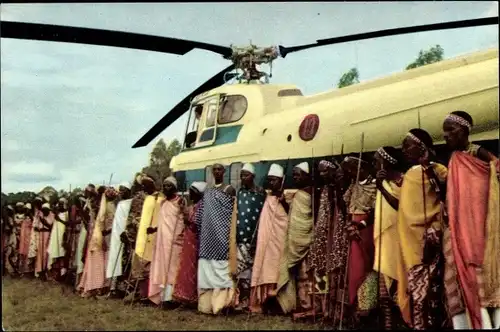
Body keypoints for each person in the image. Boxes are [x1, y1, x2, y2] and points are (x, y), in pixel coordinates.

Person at [442, 111, 500, 329]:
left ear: (464, 131)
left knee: (483, 282)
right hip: (459, 228)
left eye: (451, 131)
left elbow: (496, 167)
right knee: (459, 280)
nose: (446, 136)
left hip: (479, 228)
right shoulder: (454, 159)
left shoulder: (478, 153)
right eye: (444, 132)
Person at [397, 128, 448, 329]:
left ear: (421, 147)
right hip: (410, 242)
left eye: (407, 144)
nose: (403, 149)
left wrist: (428, 165)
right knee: (416, 292)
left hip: (428, 238)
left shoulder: (437, 169)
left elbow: (447, 193)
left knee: (429, 293)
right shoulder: (409, 173)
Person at [341, 155, 378, 326]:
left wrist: (359, 225)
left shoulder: (375, 186)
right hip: (352, 229)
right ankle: (353, 306)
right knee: (354, 269)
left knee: (366, 267)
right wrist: (350, 224)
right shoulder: (352, 186)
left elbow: (375, 211)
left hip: (366, 229)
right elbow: (346, 205)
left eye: (351, 169)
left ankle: (366, 309)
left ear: (361, 168)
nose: (349, 172)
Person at [197, 163, 237, 315]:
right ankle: (205, 306)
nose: (217, 172)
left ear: (224, 171)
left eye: (219, 169)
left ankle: (221, 305)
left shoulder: (229, 190)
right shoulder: (208, 191)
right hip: (208, 239)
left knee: (222, 274)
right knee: (206, 273)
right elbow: (203, 214)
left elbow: (231, 214)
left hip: (222, 238)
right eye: (214, 169)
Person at [373, 146, 406, 329]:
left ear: (385, 163)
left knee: (398, 283)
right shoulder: (382, 182)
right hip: (384, 239)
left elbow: (400, 206)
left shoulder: (401, 180)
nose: (374, 165)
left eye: (377, 161)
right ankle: (387, 325)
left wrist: (382, 188)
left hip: (398, 238)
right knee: (383, 289)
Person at [249, 163, 289, 314]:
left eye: (275, 180)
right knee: (264, 264)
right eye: (270, 180)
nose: (272, 183)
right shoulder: (267, 197)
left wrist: (283, 200)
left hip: (279, 239)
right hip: (265, 239)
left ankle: (279, 302)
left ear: (281, 181)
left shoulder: (285, 197)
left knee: (278, 266)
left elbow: (287, 217)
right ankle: (263, 301)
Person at [276, 162, 315, 318]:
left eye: (299, 175)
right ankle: (300, 305)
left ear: (306, 176)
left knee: (308, 276)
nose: (296, 178)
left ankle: (311, 306)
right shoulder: (298, 194)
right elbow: (293, 215)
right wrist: (285, 203)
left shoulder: (312, 193)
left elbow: (311, 217)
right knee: (299, 276)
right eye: (294, 175)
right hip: (295, 242)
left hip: (308, 240)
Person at [148, 176, 185, 306]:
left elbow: (182, 221)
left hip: (174, 241)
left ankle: (171, 298)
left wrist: (178, 237)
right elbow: (163, 222)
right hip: (161, 241)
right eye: (165, 185)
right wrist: (153, 229)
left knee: (172, 268)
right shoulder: (163, 203)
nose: (166, 188)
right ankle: (161, 296)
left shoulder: (180, 202)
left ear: (175, 188)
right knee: (162, 267)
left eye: (169, 185)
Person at [127, 173, 164, 303]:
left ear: (153, 184)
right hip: (141, 237)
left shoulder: (159, 199)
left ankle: (150, 295)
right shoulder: (146, 198)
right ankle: (140, 295)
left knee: (149, 268)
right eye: (142, 185)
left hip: (152, 238)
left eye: (146, 185)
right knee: (138, 268)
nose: (144, 187)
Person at [234, 163, 266, 311]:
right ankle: (243, 300)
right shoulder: (239, 193)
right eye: (241, 175)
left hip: (256, 238)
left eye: (245, 175)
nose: (242, 178)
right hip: (241, 238)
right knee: (241, 271)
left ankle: (255, 301)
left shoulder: (261, 193)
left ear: (253, 177)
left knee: (255, 270)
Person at [308, 160, 338, 319]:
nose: (322, 175)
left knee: (331, 271)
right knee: (319, 270)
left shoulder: (337, 189)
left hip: (332, 234)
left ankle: (331, 310)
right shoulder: (324, 189)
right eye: (320, 172)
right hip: (320, 235)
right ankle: (321, 308)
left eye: (325, 171)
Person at [172, 181, 207, 307]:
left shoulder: (202, 206)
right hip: (189, 240)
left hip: (195, 241)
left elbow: (196, 223)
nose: (190, 195)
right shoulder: (195, 206)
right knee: (187, 268)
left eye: (192, 193)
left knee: (193, 269)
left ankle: (192, 297)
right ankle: (185, 297)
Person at [106, 183, 132, 298]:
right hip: (116, 237)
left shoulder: (132, 203)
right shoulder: (120, 203)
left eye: (123, 190)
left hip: (126, 237)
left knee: (125, 262)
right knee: (114, 260)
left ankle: (123, 289)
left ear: (129, 191)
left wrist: (127, 233)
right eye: (119, 190)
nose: (120, 192)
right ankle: (113, 289)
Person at [47, 197, 69, 280]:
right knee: (56, 252)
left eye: (61, 204)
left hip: (62, 234)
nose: (59, 205)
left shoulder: (67, 213)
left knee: (62, 253)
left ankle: (63, 273)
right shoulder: (57, 213)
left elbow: (68, 224)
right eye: (59, 204)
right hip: (55, 234)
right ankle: (56, 274)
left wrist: (59, 219)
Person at [35, 203, 54, 280]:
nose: (44, 211)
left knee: (46, 253)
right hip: (41, 235)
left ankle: (46, 271)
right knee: (40, 253)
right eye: (43, 210)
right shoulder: (40, 215)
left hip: (48, 236)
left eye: (45, 210)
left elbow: (51, 227)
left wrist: (43, 221)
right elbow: (36, 226)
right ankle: (40, 270)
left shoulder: (52, 215)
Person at [18, 202, 33, 276]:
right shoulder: (23, 217)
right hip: (23, 236)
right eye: (25, 209)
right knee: (22, 252)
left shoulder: (31, 217)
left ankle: (28, 269)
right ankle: (22, 269)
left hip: (28, 236)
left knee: (27, 252)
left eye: (27, 209)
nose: (25, 210)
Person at [3, 204, 17, 276]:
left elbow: (11, 229)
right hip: (9, 238)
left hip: (11, 238)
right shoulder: (8, 219)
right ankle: (12, 270)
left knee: (10, 254)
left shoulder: (10, 219)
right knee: (8, 254)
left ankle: (13, 270)